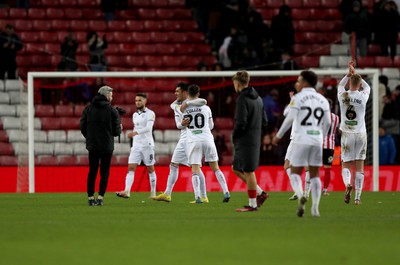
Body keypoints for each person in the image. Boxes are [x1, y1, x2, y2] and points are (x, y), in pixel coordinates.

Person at [273, 70, 331, 217]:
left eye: (298, 81)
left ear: (304, 82)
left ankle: (301, 195)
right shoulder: (322, 99)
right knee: (315, 175)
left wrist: (278, 136)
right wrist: (321, 136)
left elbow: (290, 118)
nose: (296, 84)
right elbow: (328, 122)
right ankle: (315, 209)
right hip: (317, 139)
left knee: (294, 172)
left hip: (301, 139)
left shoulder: (298, 98)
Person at [152, 82, 211, 203]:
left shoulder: (195, 104)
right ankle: (167, 194)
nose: (175, 93)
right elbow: (178, 121)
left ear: (185, 93)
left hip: (192, 138)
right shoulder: (176, 105)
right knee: (173, 164)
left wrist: (188, 103)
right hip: (183, 139)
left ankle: (204, 196)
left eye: (177, 91)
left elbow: (204, 101)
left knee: (196, 168)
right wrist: (181, 124)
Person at [181, 84, 231, 203]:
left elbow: (183, 124)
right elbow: (212, 126)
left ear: (188, 94)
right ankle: (226, 192)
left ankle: (198, 197)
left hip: (194, 140)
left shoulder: (185, 109)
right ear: (198, 93)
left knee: (195, 169)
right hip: (207, 139)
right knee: (216, 168)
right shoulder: (206, 108)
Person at [231, 70, 269, 212]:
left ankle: (253, 204)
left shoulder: (242, 99)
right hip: (254, 138)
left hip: (245, 139)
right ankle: (260, 193)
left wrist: (235, 135)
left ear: (237, 83)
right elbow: (265, 121)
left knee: (248, 171)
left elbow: (241, 122)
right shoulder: (258, 99)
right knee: (236, 168)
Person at [80, 86, 122, 206]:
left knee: (92, 171)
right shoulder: (112, 110)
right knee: (104, 172)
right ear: (107, 95)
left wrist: (90, 138)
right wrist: (120, 128)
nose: (112, 97)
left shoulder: (88, 109)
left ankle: (90, 198)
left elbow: (82, 127)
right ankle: (100, 198)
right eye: (111, 95)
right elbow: (116, 132)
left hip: (92, 145)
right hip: (107, 146)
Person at [337, 61, 371, 205]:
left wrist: (348, 74)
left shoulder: (342, 95)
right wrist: (356, 74)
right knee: (359, 166)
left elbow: (340, 85)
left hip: (347, 133)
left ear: (349, 83)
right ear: (359, 85)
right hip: (361, 134)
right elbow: (367, 86)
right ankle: (357, 198)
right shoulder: (363, 96)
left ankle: (347, 185)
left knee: (346, 164)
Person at [116, 93, 158, 199]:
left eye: (139, 100)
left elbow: (149, 128)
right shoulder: (135, 115)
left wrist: (134, 133)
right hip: (136, 145)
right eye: (136, 100)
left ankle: (153, 192)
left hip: (147, 145)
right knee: (130, 168)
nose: (137, 102)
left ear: (145, 101)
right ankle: (127, 191)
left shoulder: (150, 113)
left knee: (150, 168)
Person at [321, 99, 340, 196]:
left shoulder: (319, 116)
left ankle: (309, 189)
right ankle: (324, 190)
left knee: (313, 167)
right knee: (327, 169)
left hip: (319, 144)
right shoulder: (336, 118)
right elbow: (337, 131)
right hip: (330, 146)